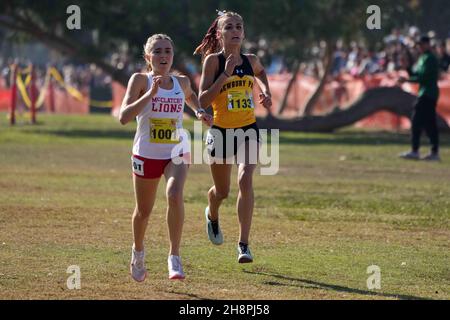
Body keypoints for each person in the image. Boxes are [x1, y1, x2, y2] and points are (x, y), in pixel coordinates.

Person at [119, 34, 212, 281]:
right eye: (158, 52)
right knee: (143, 211)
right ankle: (138, 252)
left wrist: (200, 111)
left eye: (168, 51)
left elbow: (190, 96)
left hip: (176, 150)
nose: (163, 56)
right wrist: (151, 93)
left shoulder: (181, 82)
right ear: (148, 57)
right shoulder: (140, 80)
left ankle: (174, 256)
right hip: (146, 154)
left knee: (174, 194)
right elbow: (124, 117)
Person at [194, 10, 272, 263]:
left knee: (245, 179)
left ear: (244, 32)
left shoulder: (250, 60)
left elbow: (260, 73)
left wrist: (265, 91)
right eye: (229, 27)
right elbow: (202, 100)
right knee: (222, 191)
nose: (235, 31)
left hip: (248, 128)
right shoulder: (213, 62)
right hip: (221, 132)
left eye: (239, 26)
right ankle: (212, 213)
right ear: (220, 34)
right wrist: (226, 74)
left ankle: (244, 245)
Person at [398, 35, 441, 161]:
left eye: (421, 44)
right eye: (418, 45)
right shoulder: (422, 58)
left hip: (429, 93)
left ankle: (415, 150)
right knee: (429, 123)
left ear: (428, 44)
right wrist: (407, 68)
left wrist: (407, 80)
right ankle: (434, 153)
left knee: (417, 121)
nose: (419, 47)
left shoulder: (431, 59)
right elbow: (416, 74)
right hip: (424, 93)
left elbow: (423, 78)